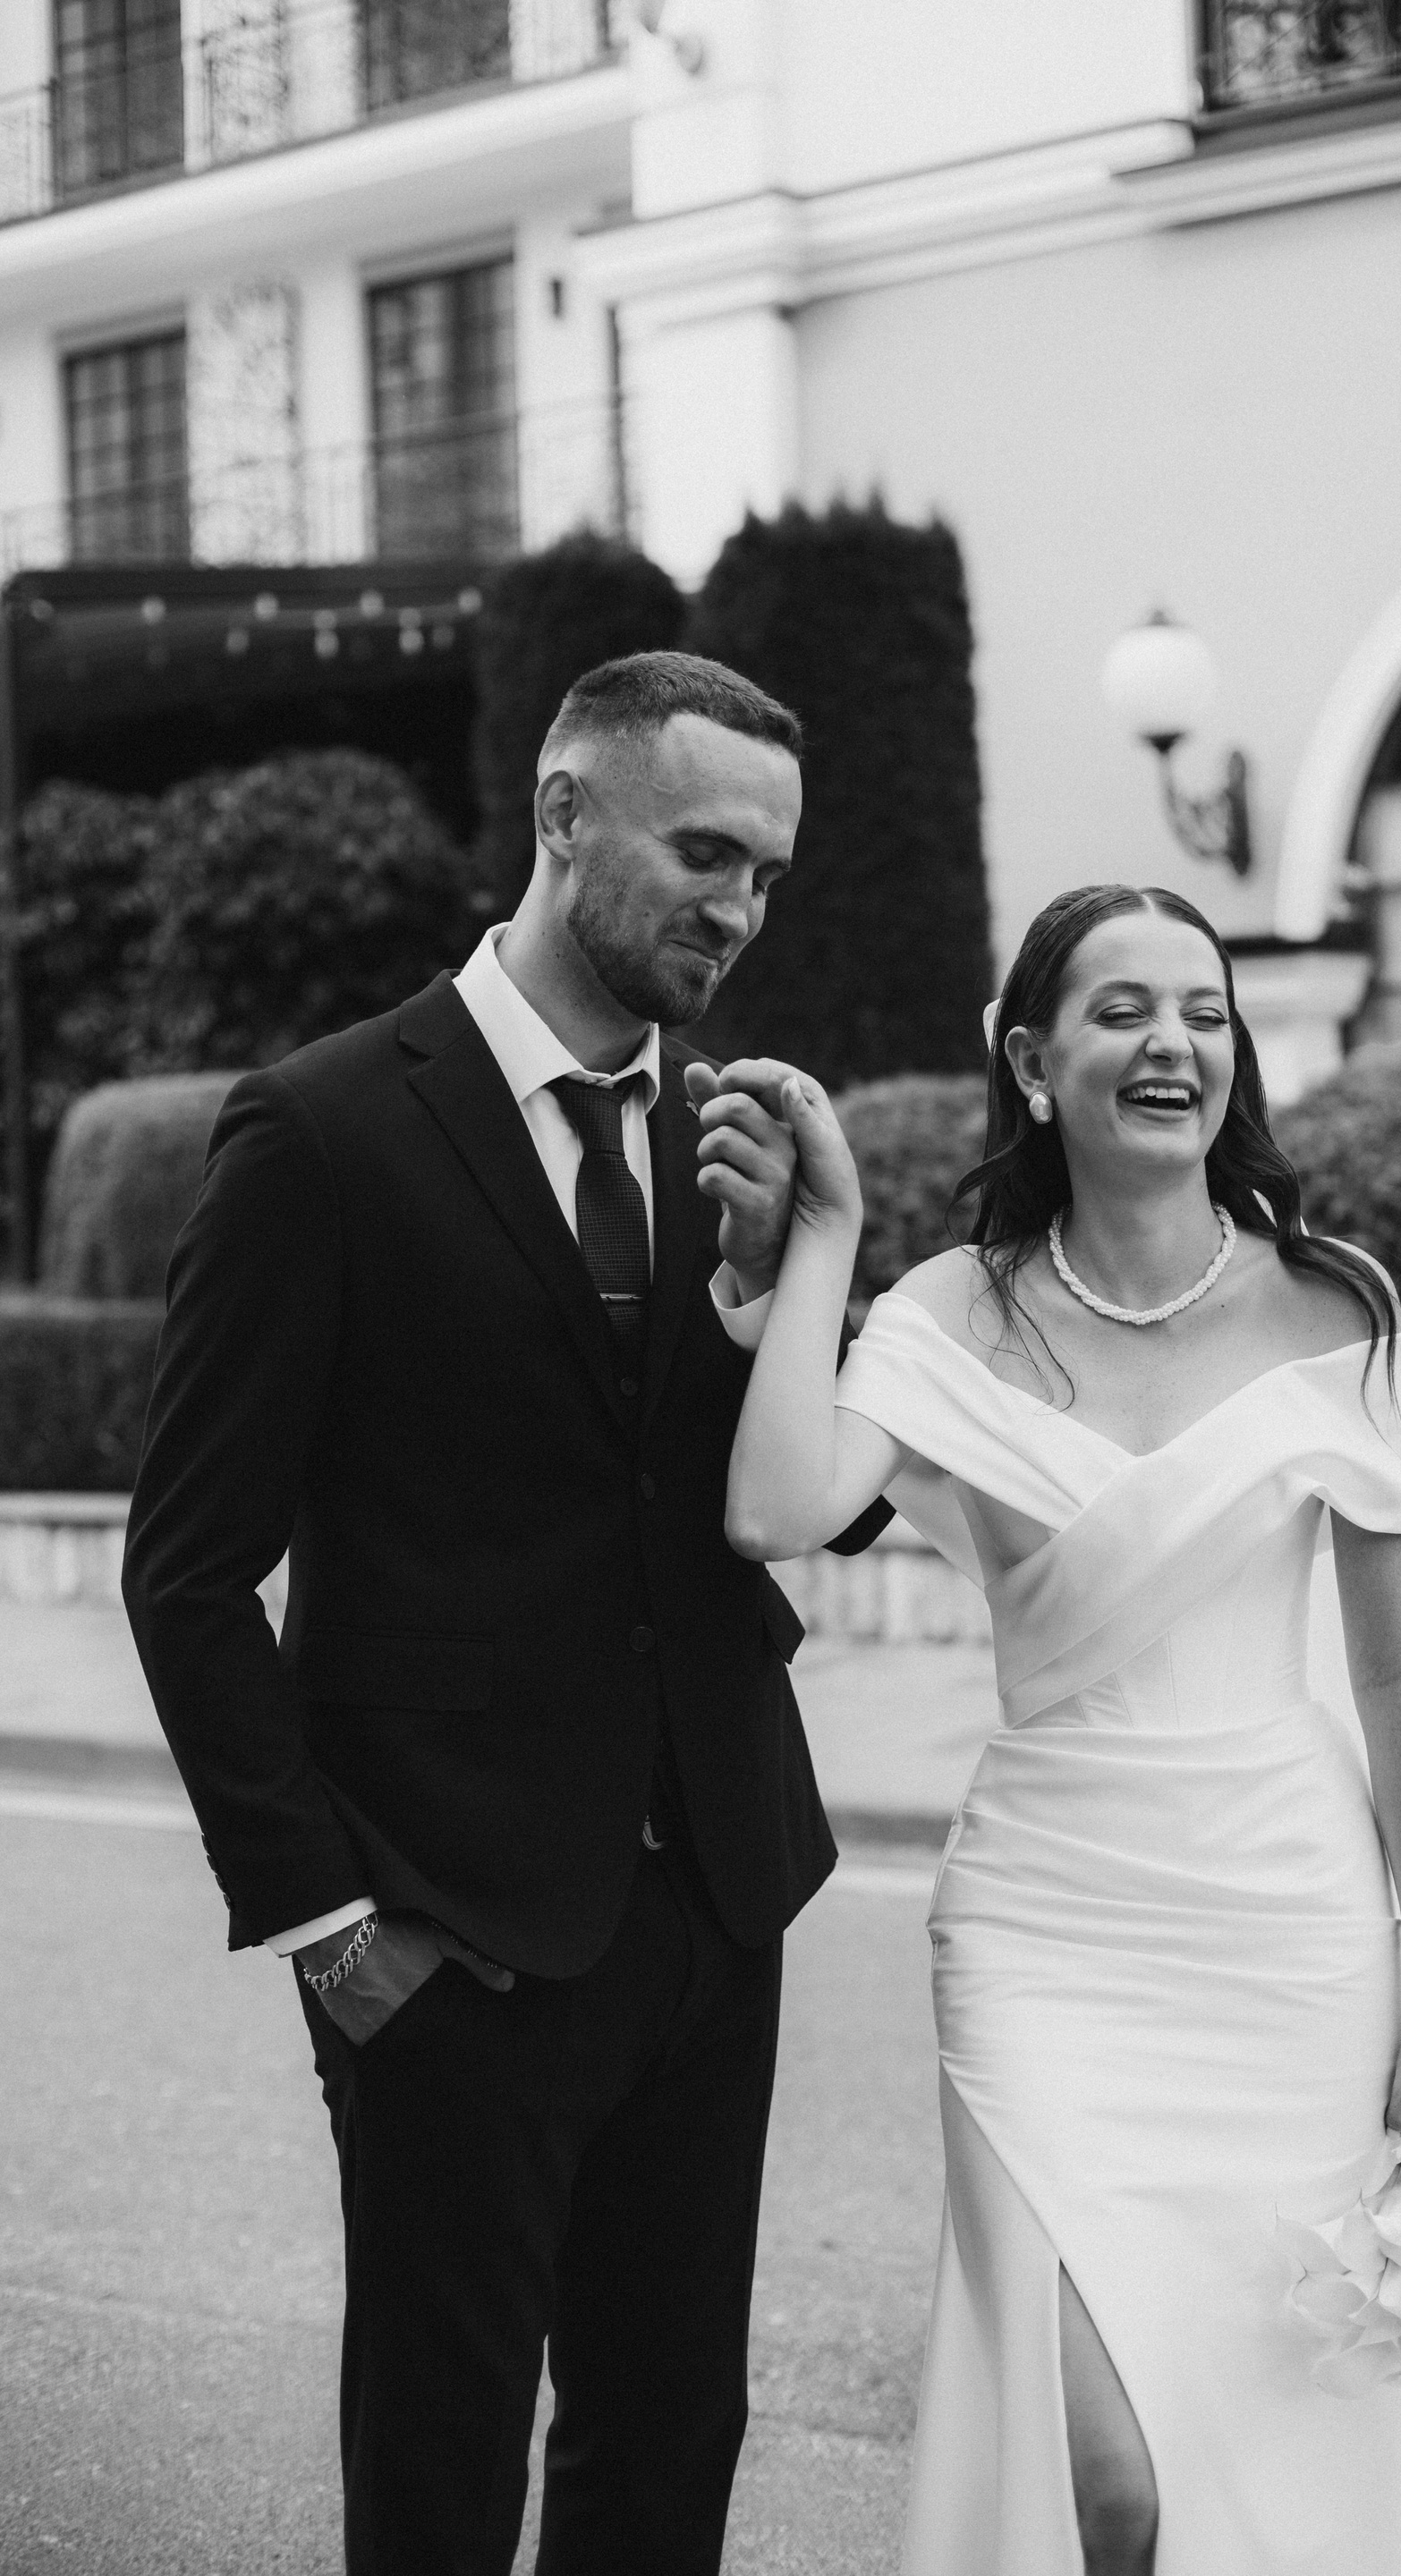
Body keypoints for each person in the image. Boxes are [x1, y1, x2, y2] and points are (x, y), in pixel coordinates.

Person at [721, 881, 1401, 2576]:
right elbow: (772, 1510)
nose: (1172, 1041)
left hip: (1289, 1932)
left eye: (1203, 1009)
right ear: (1030, 1062)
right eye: (1121, 1010)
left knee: (1286, 2444)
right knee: (1105, 2479)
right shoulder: (951, 1313)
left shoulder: (1341, 1311)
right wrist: (823, 1244)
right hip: (1043, 1931)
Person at [121, 650, 889, 2576]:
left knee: (669, 2446)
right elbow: (187, 1572)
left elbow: (818, 1511)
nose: (741, 907)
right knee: (442, 2472)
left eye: (769, 874)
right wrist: (329, 1927)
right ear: (564, 813)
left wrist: (776, 1286)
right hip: (445, 1931)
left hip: (714, 1906)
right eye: (704, 853)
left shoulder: (732, 1142)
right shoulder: (319, 1131)